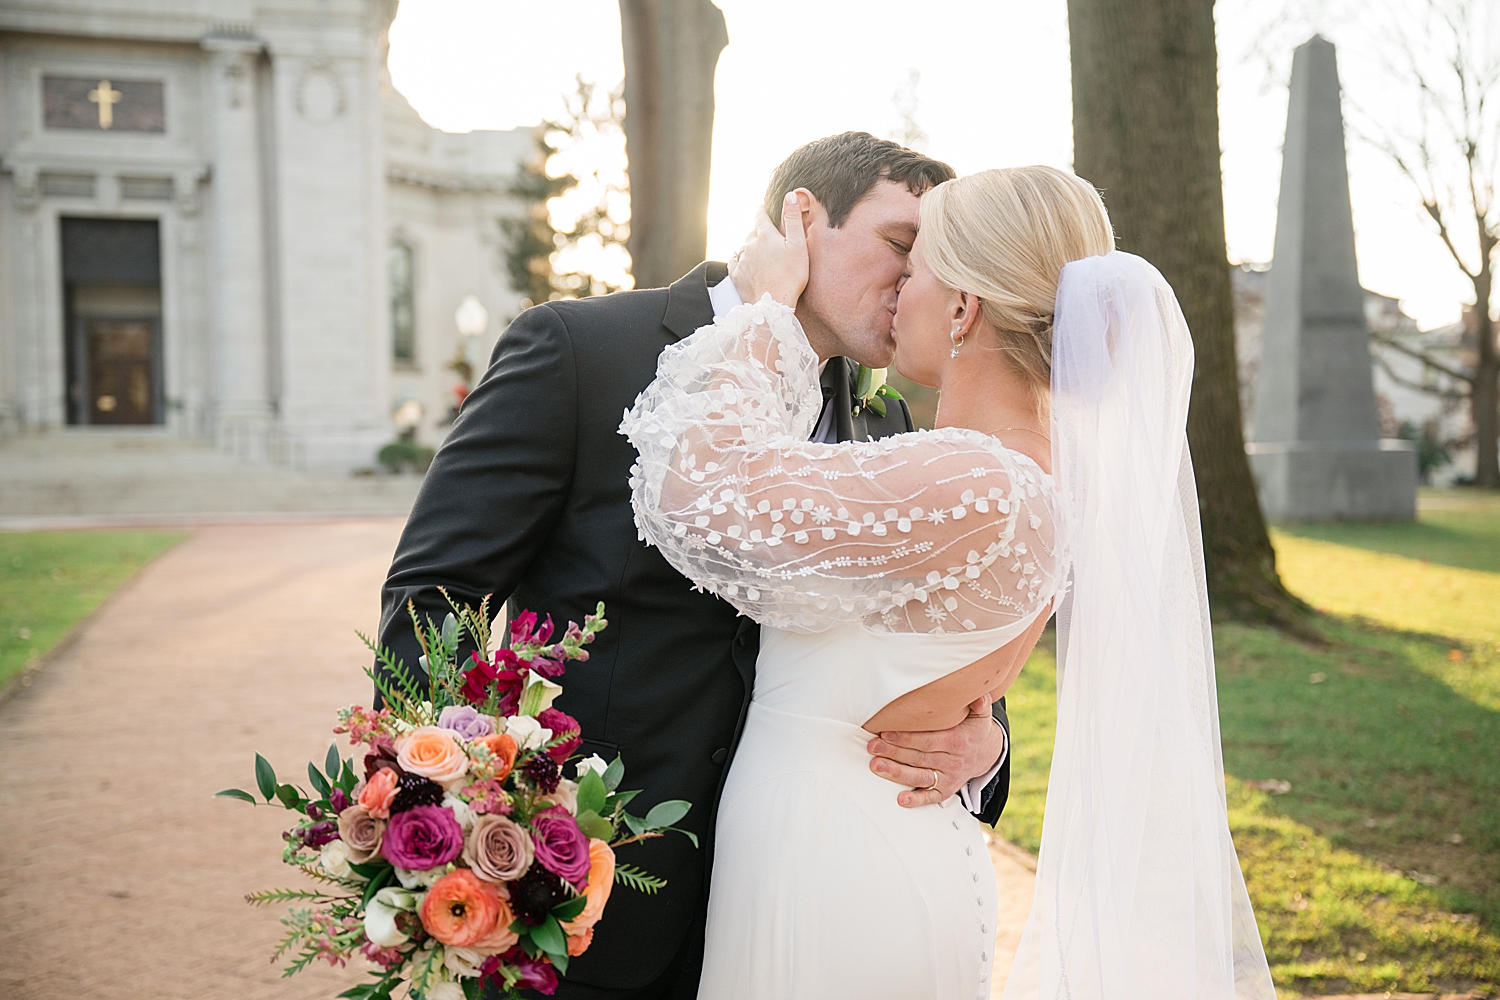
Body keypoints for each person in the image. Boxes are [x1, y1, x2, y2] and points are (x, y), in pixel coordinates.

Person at [376, 133, 1014, 1000]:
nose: (918, 283)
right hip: (577, 885)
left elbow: (937, 622)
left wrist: (983, 740)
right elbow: (436, 596)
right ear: (801, 218)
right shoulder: (582, 349)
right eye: (901, 246)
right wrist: (448, 806)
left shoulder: (891, 423)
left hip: (799, 899)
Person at [621, 166, 1276, 998]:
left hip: (838, 862)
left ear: (964, 309)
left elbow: (699, 495)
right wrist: (987, 743)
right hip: (878, 838)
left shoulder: (973, 477)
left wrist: (764, 307)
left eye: (917, 265)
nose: (899, 289)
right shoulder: (1030, 473)